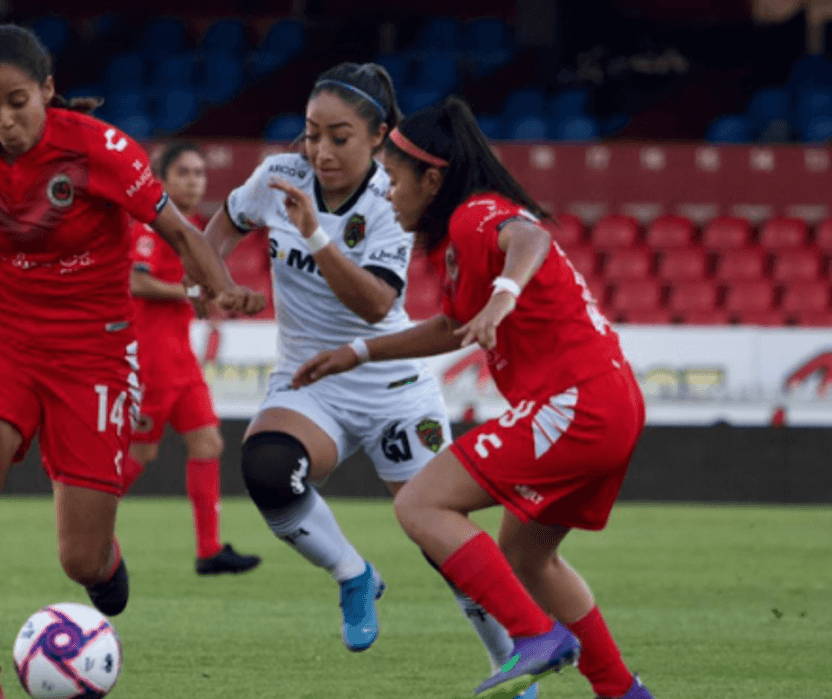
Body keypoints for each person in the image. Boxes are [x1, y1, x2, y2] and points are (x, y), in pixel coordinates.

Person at [0, 25, 263, 699]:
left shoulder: (102, 150)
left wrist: (215, 287)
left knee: (78, 556)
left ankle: (104, 564)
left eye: (16, 101)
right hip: (2, 342)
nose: (4, 120)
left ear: (46, 90)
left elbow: (179, 232)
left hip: (94, 354)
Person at [292, 96, 655, 699]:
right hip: (610, 403)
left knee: (420, 506)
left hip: (576, 403)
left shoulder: (477, 212)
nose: (386, 193)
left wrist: (504, 295)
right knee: (528, 559)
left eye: (395, 179)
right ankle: (621, 690)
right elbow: (453, 326)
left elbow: (528, 237)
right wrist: (356, 352)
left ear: (433, 179)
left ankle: (534, 636)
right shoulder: (456, 238)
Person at [204, 61, 533, 695]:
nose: (320, 152)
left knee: (444, 546)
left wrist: (313, 236)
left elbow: (377, 305)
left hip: (390, 382)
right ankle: (354, 575)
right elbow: (227, 222)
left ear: (378, 135)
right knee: (267, 469)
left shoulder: (390, 197)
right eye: (310, 134)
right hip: (309, 379)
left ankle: (511, 666)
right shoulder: (279, 176)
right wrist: (214, 278)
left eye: (339, 137)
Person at [127, 140, 261, 576]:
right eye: (183, 172)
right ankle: (82, 516)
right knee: (141, 456)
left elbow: (204, 286)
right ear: (162, 180)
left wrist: (222, 297)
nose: (194, 180)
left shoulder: (195, 229)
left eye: (200, 173)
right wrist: (189, 292)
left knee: (208, 443)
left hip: (180, 357)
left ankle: (209, 550)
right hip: (153, 359)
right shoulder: (150, 226)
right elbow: (135, 282)